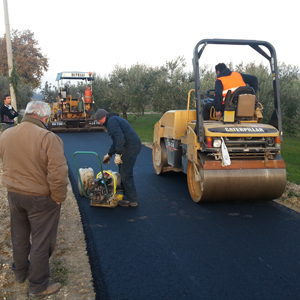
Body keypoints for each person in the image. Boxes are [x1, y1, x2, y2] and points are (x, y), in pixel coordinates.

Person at [0, 101, 69, 299]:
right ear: (44, 117)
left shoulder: (6, 134)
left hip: (14, 195)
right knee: (41, 241)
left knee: (19, 236)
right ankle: (38, 286)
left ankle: (20, 273)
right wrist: (58, 198)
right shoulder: (48, 137)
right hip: (40, 199)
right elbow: (58, 173)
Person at [95, 109, 141, 207]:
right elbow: (116, 141)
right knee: (122, 171)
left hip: (130, 147)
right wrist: (110, 154)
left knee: (126, 174)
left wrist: (118, 154)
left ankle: (132, 200)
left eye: (99, 121)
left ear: (103, 118)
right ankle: (126, 195)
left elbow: (120, 138)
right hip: (128, 146)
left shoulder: (112, 121)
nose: (99, 123)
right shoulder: (112, 120)